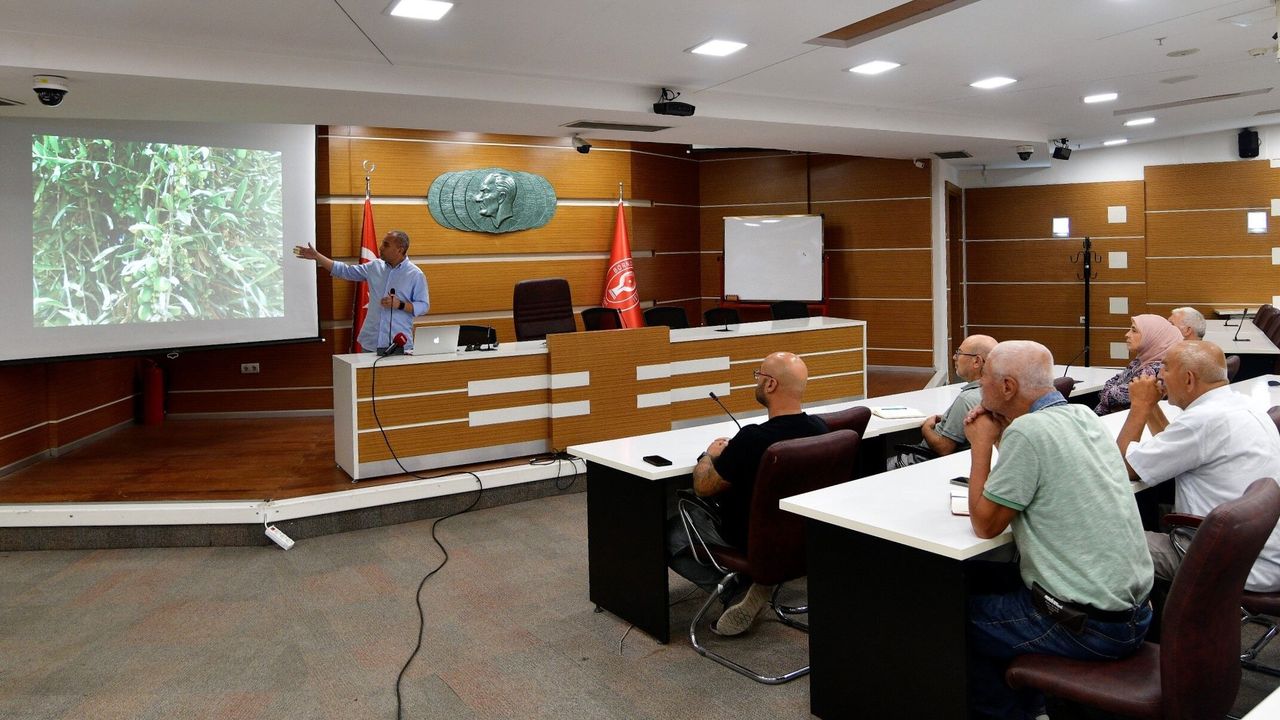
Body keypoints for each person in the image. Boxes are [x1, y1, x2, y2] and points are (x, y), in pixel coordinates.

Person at [964, 340, 1153, 720]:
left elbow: (985, 525)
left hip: (1087, 628)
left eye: (983, 380)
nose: (978, 389)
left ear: (1007, 387)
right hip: (1136, 616)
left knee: (954, 618)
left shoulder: (1028, 433)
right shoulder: (1083, 416)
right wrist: (1003, 432)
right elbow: (1036, 464)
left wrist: (981, 445)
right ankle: (1034, 702)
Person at [666, 351, 828, 636]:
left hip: (748, 538)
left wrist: (708, 455)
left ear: (771, 384)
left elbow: (703, 486)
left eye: (759, 375)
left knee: (667, 534)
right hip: (802, 537)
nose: (757, 380)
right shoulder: (820, 429)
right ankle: (756, 584)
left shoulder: (753, 439)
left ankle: (736, 589)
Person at [1117, 340, 1280, 592]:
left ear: (1189, 379)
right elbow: (1174, 447)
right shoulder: (1241, 405)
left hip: (1222, 561)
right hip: (1259, 555)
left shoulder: (1203, 420)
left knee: (1107, 542)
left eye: (1165, 368)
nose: (1159, 375)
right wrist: (1150, 406)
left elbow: (1123, 467)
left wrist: (1138, 406)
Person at [294, 230, 429, 353]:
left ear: (400, 250)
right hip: (371, 342)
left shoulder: (415, 275)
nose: (380, 248)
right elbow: (345, 271)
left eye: (386, 245)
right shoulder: (374, 267)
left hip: (399, 343)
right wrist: (317, 256)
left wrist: (400, 304)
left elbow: (423, 306)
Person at [887, 334, 996, 468]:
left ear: (977, 361)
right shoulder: (995, 394)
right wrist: (949, 418)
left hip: (922, 463)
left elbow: (944, 448)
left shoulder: (966, 399)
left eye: (959, 353)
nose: (954, 357)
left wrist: (926, 428)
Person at [1094, 314, 1181, 415]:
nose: (1127, 334)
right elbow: (1113, 382)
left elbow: (1111, 397)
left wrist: (1108, 391)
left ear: (1152, 337)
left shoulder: (1156, 370)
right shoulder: (1140, 361)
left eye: (1134, 331)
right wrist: (1109, 390)